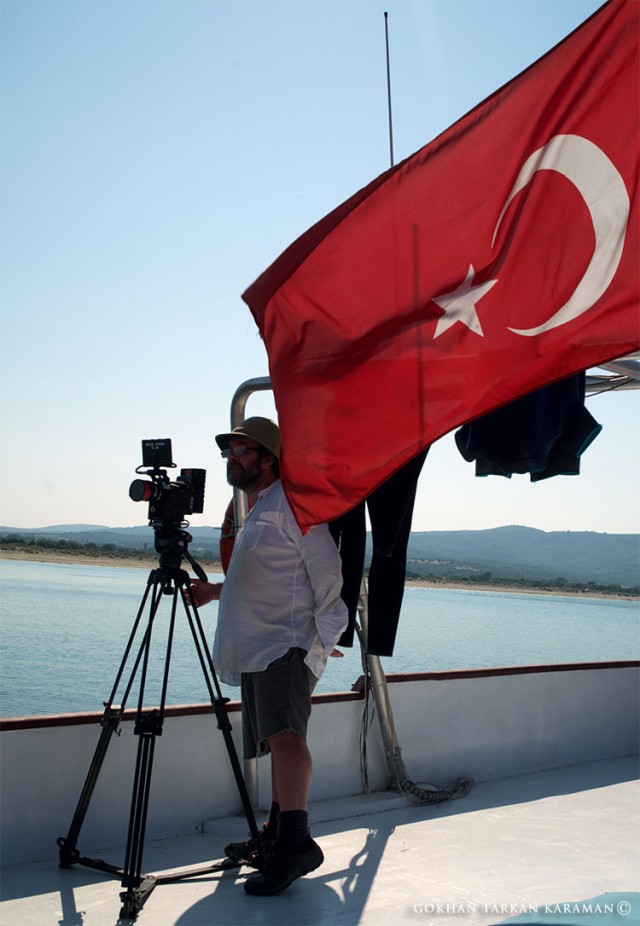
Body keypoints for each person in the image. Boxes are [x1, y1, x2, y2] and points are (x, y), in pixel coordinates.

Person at [190, 416, 348, 896]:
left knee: (284, 738)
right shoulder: (261, 508)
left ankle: (296, 845)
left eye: (242, 451)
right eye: (229, 452)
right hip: (259, 648)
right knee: (276, 741)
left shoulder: (293, 505)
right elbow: (266, 578)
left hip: (284, 644)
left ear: (269, 457)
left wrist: (320, 640)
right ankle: (276, 838)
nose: (232, 460)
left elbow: (327, 572)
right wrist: (215, 593)